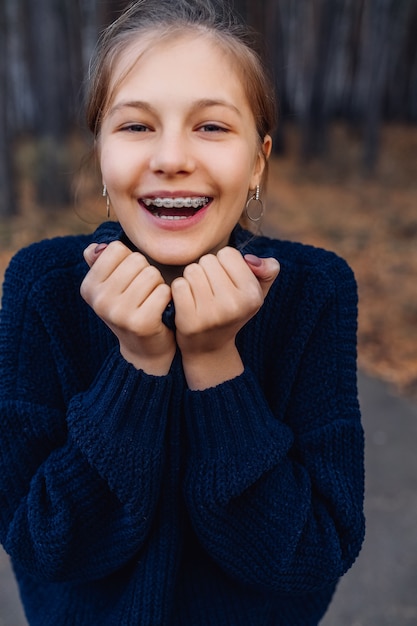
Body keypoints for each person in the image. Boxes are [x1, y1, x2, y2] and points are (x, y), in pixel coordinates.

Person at [0, 0, 365, 624]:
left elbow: (307, 555)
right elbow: (44, 544)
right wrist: (136, 364)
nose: (171, 158)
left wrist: (217, 364)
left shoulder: (315, 292)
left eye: (213, 127)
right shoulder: (43, 287)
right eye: (136, 126)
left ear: (257, 160)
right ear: (103, 157)